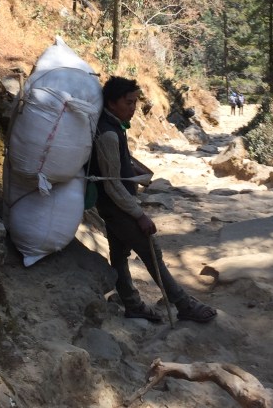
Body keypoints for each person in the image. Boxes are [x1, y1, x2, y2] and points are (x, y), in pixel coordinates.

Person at [90, 76, 217, 323]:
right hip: (118, 207)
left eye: (135, 102)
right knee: (151, 252)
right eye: (128, 102)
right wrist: (140, 215)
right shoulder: (108, 134)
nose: (133, 107)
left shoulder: (112, 125)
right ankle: (184, 304)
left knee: (119, 254)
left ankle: (132, 304)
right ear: (112, 103)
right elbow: (112, 184)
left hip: (112, 206)